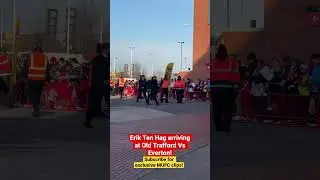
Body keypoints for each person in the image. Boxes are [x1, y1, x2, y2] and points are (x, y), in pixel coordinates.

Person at [210, 44, 240, 133]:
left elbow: (210, 76)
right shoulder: (232, 62)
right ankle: (226, 126)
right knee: (228, 108)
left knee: (217, 107)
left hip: (215, 88)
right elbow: (236, 75)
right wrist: (236, 87)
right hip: (228, 88)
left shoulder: (213, 62)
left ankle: (218, 125)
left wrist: (210, 87)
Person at [84, 43, 109, 128]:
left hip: (101, 84)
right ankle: (88, 121)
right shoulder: (99, 59)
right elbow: (98, 72)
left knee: (98, 101)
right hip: (96, 84)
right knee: (93, 102)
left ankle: (97, 113)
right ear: (105, 50)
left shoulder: (104, 59)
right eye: (108, 49)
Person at [28, 45, 48, 117]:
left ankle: (35, 110)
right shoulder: (45, 57)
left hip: (32, 79)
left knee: (33, 95)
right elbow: (47, 68)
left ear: (35, 50)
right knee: (38, 94)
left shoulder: (32, 56)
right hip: (41, 79)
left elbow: (28, 65)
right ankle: (37, 109)